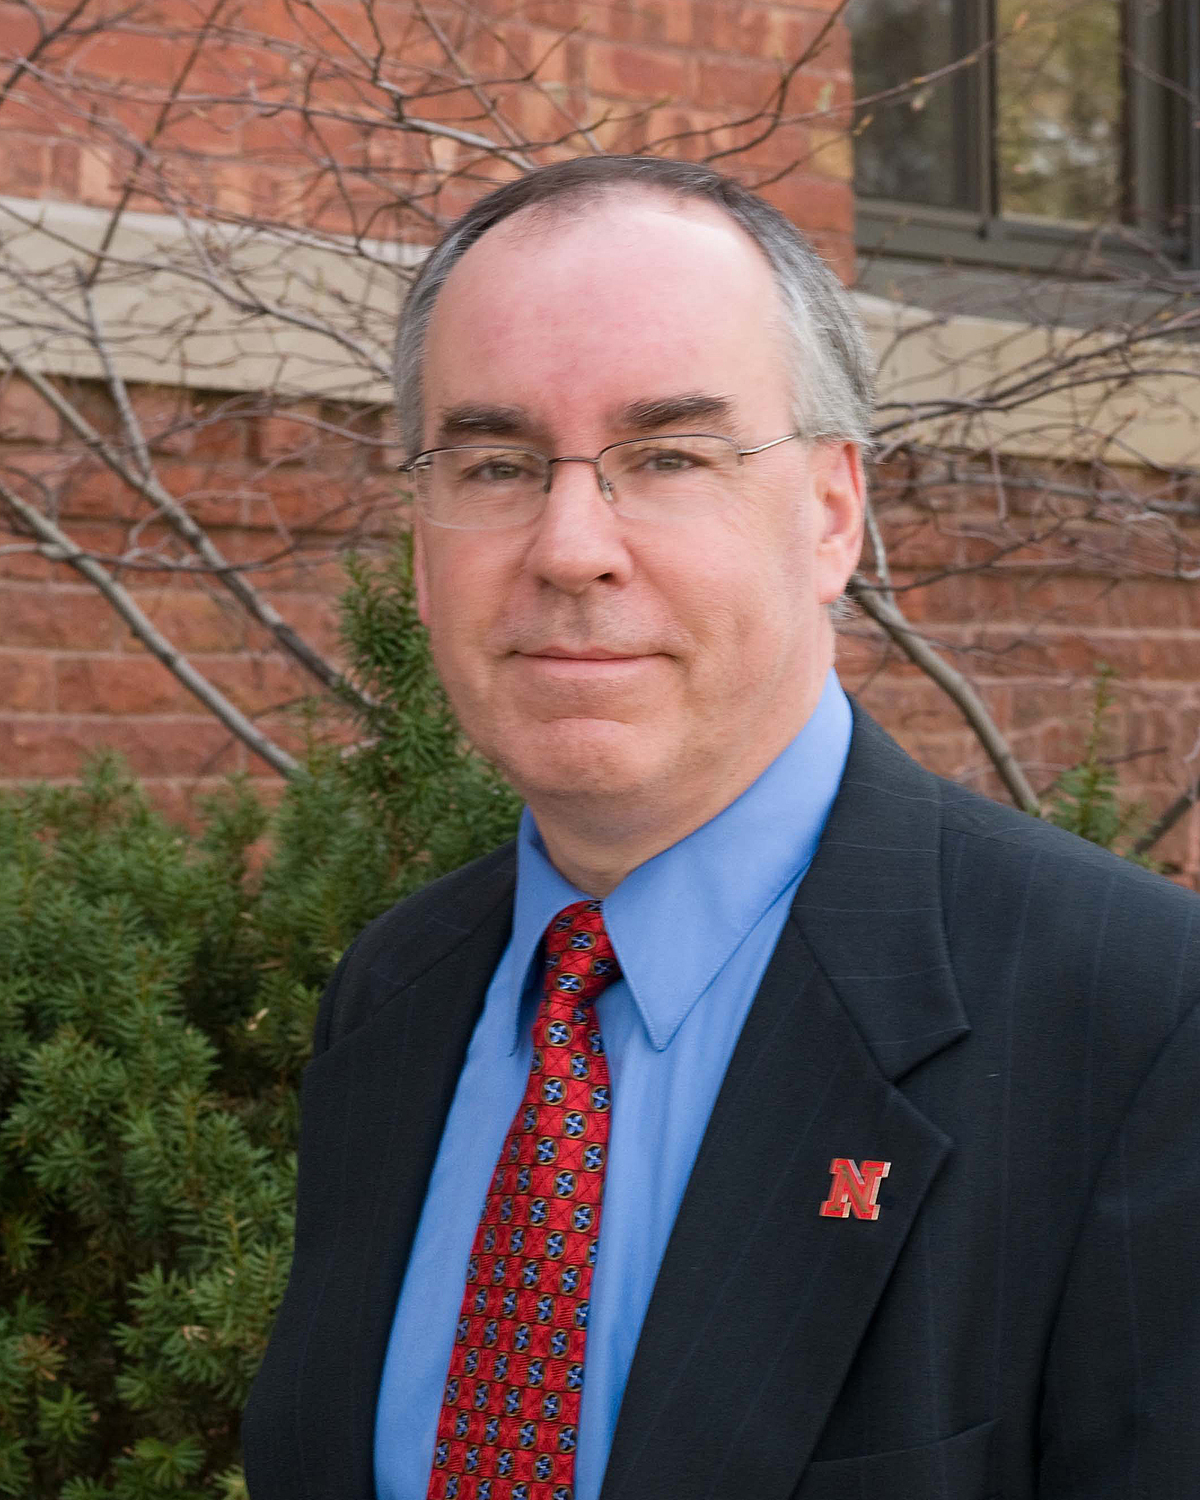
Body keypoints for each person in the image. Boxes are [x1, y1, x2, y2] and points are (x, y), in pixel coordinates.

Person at [242, 156, 1200, 1500]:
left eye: (669, 458)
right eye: (499, 464)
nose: (571, 546)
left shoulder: (1138, 1023)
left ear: (831, 514)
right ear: (420, 547)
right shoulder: (395, 994)